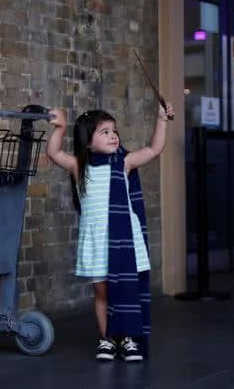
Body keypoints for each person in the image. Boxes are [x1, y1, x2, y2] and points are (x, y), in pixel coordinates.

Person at [46, 103, 174, 361]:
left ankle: (127, 339)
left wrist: (161, 119)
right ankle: (107, 339)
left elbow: (153, 149)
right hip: (97, 241)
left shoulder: (124, 162)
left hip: (124, 239)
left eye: (114, 130)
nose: (113, 135)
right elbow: (54, 152)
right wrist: (60, 127)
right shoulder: (79, 167)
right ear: (88, 142)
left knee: (126, 289)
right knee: (102, 292)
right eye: (104, 132)